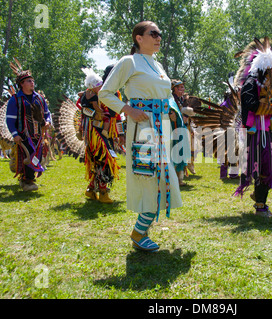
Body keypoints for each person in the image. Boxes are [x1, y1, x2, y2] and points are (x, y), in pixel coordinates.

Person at [99, 21, 187, 252]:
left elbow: (166, 95)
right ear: (139, 38)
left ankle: (143, 229)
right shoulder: (129, 62)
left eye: (160, 34)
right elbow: (105, 93)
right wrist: (127, 110)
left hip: (162, 125)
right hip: (143, 127)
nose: (159, 37)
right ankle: (139, 232)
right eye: (153, 33)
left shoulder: (157, 65)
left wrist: (173, 112)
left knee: (159, 175)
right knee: (153, 176)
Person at [233, 37, 272, 217]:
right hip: (257, 134)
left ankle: (258, 195)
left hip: (271, 134)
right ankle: (261, 206)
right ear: (266, 69)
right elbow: (249, 104)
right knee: (264, 169)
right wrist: (267, 106)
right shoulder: (252, 84)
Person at [79, 67, 123, 203]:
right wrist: (94, 113)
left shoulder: (115, 93)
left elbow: (118, 114)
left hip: (109, 132)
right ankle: (103, 192)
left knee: (101, 159)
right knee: (104, 158)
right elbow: (82, 108)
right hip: (95, 133)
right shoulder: (92, 93)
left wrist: (120, 133)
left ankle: (91, 189)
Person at [6, 61, 52, 191]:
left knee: (36, 156)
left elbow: (47, 114)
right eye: (28, 81)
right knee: (27, 156)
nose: (32, 83)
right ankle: (27, 180)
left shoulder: (40, 98)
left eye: (32, 81)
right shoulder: (16, 100)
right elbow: (10, 119)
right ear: (21, 84)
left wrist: (48, 121)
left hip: (38, 134)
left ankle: (27, 179)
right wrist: (15, 134)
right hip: (23, 134)